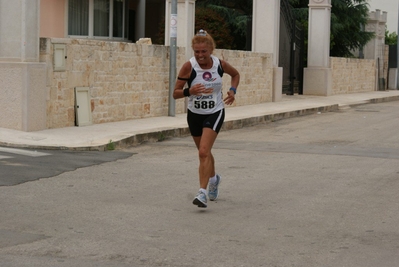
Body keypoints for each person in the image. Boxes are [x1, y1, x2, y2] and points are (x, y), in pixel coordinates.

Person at [173, 29, 240, 208]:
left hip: (215, 111)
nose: (200, 55)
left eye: (204, 51)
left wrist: (232, 91)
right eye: (197, 51)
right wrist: (189, 91)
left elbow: (235, 75)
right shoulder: (189, 66)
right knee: (206, 153)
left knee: (203, 152)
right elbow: (175, 93)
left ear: (211, 50)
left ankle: (201, 193)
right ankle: (214, 178)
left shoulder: (220, 65)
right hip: (194, 114)